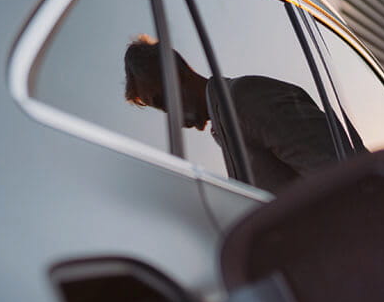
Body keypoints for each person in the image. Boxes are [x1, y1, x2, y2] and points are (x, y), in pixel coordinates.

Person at [123, 35, 356, 192]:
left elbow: (341, 180)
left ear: (177, 72)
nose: (173, 118)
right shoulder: (226, 124)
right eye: (162, 109)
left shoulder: (245, 99)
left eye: (163, 100)